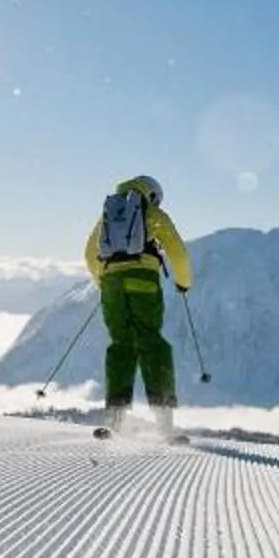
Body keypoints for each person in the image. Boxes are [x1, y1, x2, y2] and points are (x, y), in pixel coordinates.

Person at [82, 173, 192, 436]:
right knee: (151, 343)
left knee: (121, 345)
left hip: (111, 285)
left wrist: (106, 284)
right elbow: (176, 250)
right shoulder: (152, 213)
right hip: (142, 281)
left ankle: (114, 421)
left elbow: (89, 254)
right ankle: (165, 425)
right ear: (152, 195)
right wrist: (183, 282)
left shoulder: (108, 215)